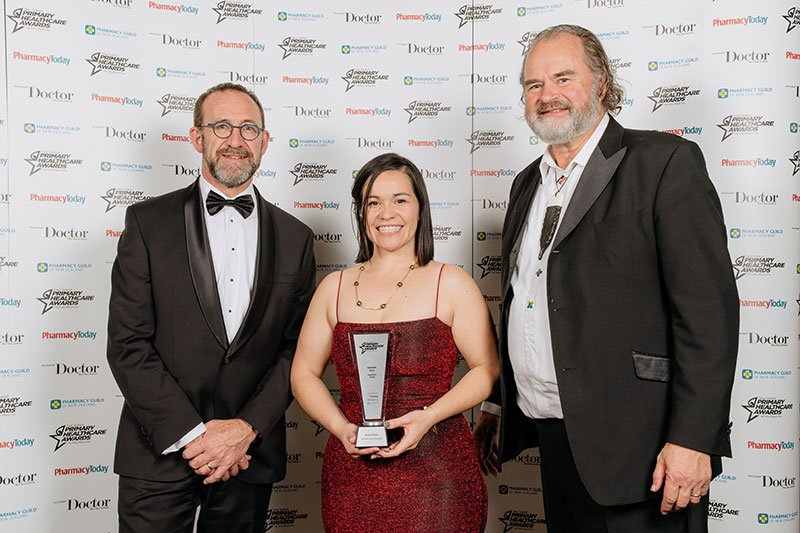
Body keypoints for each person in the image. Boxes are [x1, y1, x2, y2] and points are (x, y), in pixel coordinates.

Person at [473, 25, 738, 532]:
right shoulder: (525, 185)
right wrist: (497, 401)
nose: (547, 95)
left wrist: (694, 440)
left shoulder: (663, 163)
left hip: (645, 448)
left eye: (562, 78)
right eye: (533, 85)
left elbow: (709, 317)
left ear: (600, 81)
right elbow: (525, 300)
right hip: (555, 440)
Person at [106, 82, 316, 533]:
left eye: (248, 128)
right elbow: (128, 344)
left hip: (247, 458)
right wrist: (196, 438)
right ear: (197, 137)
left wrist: (244, 430)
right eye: (222, 126)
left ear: (265, 142)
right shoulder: (147, 223)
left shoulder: (297, 238)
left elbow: (297, 351)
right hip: (158, 453)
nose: (236, 140)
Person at [290, 152, 500, 532]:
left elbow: (487, 370)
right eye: (374, 202)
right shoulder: (332, 288)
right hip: (351, 474)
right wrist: (340, 428)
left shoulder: (450, 282)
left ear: (421, 208)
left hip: (437, 472)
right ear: (360, 214)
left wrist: (429, 416)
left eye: (400, 200)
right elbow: (303, 372)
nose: (386, 213)